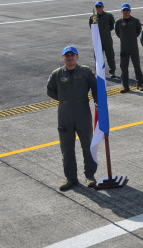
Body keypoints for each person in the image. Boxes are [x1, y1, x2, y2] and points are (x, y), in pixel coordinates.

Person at [47, 46, 98, 191]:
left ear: (77, 57)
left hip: (83, 111)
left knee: (87, 144)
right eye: (67, 56)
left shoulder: (86, 72)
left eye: (72, 55)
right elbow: (50, 91)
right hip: (64, 113)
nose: (70, 58)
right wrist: (64, 100)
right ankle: (70, 178)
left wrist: (98, 103)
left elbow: (95, 88)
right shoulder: (57, 74)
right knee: (67, 147)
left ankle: (90, 175)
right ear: (63, 58)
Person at [114, 3, 143, 93]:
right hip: (123, 47)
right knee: (123, 67)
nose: (126, 12)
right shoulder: (118, 22)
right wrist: (124, 39)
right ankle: (125, 86)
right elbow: (117, 32)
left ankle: (140, 84)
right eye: (124, 10)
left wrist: (132, 37)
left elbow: (139, 31)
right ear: (121, 11)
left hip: (133, 46)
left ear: (130, 11)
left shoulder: (135, 21)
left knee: (137, 66)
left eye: (127, 10)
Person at [89, 1, 116, 78]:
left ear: (103, 7)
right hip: (97, 39)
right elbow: (92, 27)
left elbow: (112, 26)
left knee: (110, 55)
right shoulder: (92, 17)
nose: (98, 8)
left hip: (106, 39)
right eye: (97, 7)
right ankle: (99, 71)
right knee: (97, 56)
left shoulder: (108, 16)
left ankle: (112, 71)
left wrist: (105, 31)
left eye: (100, 6)